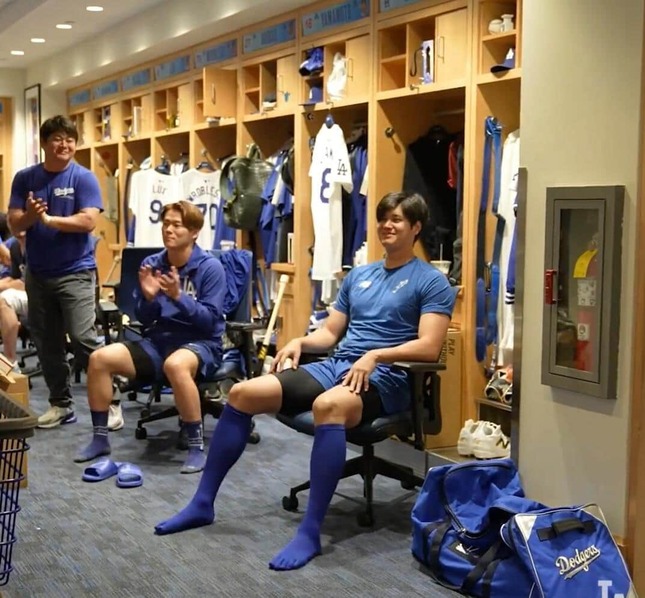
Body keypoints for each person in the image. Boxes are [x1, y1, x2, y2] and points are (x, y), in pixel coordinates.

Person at [154, 191, 456, 571]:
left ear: (415, 227)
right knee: (243, 393)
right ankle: (202, 504)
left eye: (397, 219)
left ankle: (310, 532)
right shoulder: (359, 275)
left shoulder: (431, 281)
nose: (387, 225)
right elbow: (329, 335)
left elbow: (429, 346)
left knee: (327, 406)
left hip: (389, 377)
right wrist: (299, 341)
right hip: (339, 364)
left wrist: (377, 355)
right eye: (383, 218)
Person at [75, 200, 227, 474]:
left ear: (194, 232)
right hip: (158, 342)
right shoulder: (152, 264)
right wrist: (148, 298)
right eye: (166, 224)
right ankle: (100, 440)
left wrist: (179, 297)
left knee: (176, 365)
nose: (169, 230)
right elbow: (144, 319)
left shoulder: (210, 268)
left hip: (200, 344)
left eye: (177, 225)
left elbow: (209, 323)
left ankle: (196, 448)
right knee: (99, 359)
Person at [8, 115, 103, 428]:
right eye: (58, 139)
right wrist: (32, 217)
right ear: (44, 143)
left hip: (76, 272)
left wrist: (50, 221)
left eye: (70, 139)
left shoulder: (84, 178)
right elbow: (15, 224)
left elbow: (88, 221)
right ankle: (61, 404)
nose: (64, 145)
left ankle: (111, 397)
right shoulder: (26, 178)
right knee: (47, 343)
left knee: (83, 338)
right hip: (38, 274)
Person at [0, 231, 28, 370]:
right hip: (27, 293)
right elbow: (15, 277)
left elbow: (25, 284)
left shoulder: (40, 246)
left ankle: (10, 363)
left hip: (45, 293)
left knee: (5, 299)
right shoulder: (15, 246)